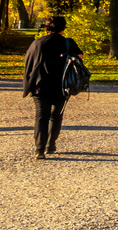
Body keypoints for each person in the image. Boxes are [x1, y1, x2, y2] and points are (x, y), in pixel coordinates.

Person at [22, 16, 83, 159]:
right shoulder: (68, 43)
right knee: (56, 115)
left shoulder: (37, 43)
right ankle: (50, 144)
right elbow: (79, 56)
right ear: (63, 28)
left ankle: (39, 149)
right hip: (61, 84)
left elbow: (28, 62)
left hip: (40, 84)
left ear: (47, 28)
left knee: (41, 116)